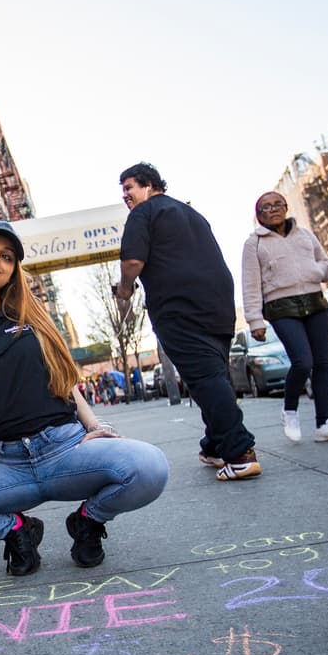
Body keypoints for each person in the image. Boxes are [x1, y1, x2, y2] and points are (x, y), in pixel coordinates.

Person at [0, 220, 169, 576]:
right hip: (2, 465)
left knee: (150, 467)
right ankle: (16, 529)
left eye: (6, 256)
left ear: (13, 269)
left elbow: (64, 379)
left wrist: (94, 424)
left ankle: (89, 520)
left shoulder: (31, 316)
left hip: (65, 450)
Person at [116, 162, 260, 480]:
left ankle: (240, 454)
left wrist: (124, 290)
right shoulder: (191, 213)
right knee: (213, 375)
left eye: (129, 188)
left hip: (179, 307)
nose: (125, 195)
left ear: (149, 186)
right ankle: (214, 446)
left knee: (206, 378)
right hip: (218, 302)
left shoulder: (143, 213)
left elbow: (133, 261)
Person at [242, 192, 328, 443]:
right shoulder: (254, 244)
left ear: (286, 208)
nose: (273, 209)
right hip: (281, 307)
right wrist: (255, 320)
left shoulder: (304, 235)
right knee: (303, 362)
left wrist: (318, 270)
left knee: (322, 364)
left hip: (314, 302)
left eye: (278, 205)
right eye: (266, 207)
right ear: (259, 216)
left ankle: (325, 423)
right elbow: (250, 284)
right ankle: (290, 410)